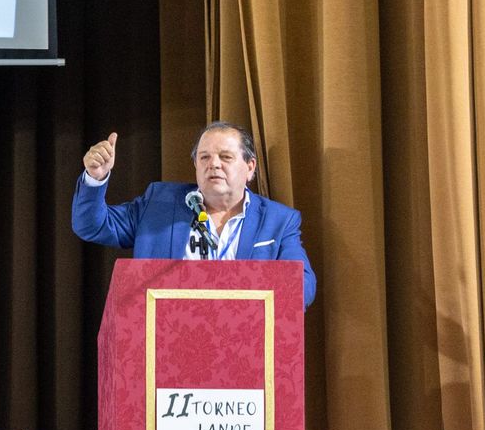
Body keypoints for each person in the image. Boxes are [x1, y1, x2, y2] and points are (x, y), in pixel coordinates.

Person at [71, 122, 316, 307]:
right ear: (196, 166)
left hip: (243, 348)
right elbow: (92, 225)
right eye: (205, 157)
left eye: (226, 157)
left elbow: (302, 286)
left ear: (250, 167)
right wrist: (95, 177)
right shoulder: (159, 203)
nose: (214, 164)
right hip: (163, 345)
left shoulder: (278, 221)